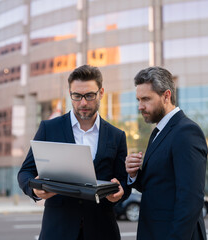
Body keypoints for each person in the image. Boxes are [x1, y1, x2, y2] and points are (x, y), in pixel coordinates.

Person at [18, 65, 129, 240]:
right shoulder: (49, 128)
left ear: (101, 93)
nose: (83, 102)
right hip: (58, 230)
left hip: (102, 231)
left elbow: (123, 181)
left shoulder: (117, 136)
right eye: (77, 96)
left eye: (89, 95)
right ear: (70, 93)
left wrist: (121, 192)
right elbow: (25, 172)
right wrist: (34, 189)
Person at [126, 66, 208, 240]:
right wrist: (134, 175)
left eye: (146, 99)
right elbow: (158, 185)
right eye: (138, 100)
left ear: (166, 96)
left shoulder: (186, 132)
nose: (140, 106)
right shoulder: (158, 132)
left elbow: (191, 199)